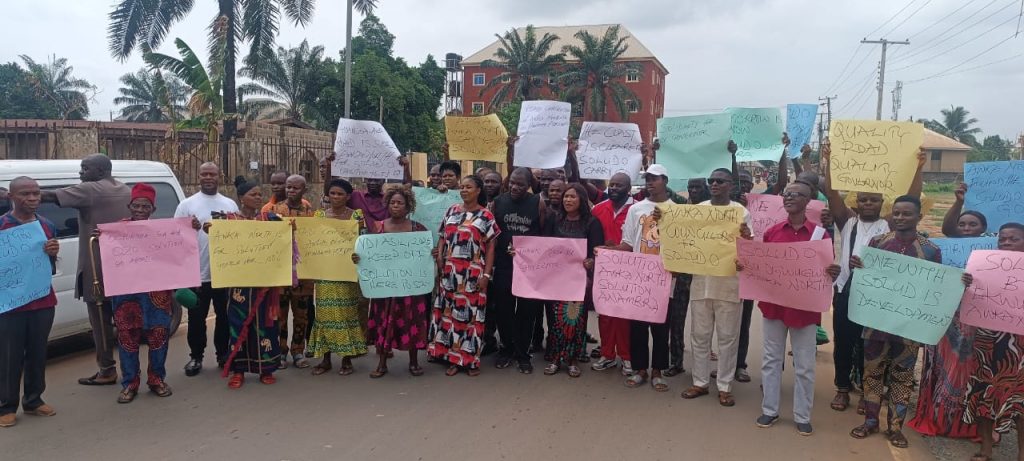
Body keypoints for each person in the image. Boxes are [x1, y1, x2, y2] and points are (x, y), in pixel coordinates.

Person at [821, 142, 926, 413]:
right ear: (856, 202)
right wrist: (829, 161)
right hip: (846, 290)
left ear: (883, 203)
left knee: (870, 346)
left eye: (874, 199)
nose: (868, 203)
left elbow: (911, 199)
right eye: (863, 199)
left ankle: (868, 393)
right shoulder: (847, 221)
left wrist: (919, 168)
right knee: (843, 342)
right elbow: (831, 194)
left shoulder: (888, 224)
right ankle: (842, 389)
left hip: (877, 296)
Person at [849, 195, 942, 449]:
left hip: (908, 327)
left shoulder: (931, 250)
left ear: (919, 217)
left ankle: (895, 427)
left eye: (907, 214)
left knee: (902, 377)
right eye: (897, 213)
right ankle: (870, 421)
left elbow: (936, 289)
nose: (900, 218)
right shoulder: (878, 243)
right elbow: (868, 279)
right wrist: (859, 266)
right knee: (872, 373)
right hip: (875, 323)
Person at [748, 181, 840, 436]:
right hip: (775, 307)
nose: (788, 198)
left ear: (808, 201)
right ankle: (770, 410)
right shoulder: (773, 232)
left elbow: (825, 273)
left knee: (805, 365)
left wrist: (833, 271)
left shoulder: (821, 236)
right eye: (786, 194)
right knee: (771, 360)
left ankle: (802, 415)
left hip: (805, 310)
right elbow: (764, 266)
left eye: (795, 195)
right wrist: (746, 266)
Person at [33, 154, 130, 386]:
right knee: (127, 320)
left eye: (84, 168)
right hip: (124, 268)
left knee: (100, 321)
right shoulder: (125, 188)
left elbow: (49, 196)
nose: (80, 173)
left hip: (97, 269)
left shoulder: (91, 189)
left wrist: (15, 194)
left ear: (99, 171)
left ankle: (107, 370)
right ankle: (131, 369)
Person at [908, 185, 990, 439]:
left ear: (983, 230)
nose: (966, 228)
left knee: (969, 370)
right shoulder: (945, 249)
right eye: (963, 224)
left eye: (972, 224)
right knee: (940, 366)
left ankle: (966, 422)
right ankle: (936, 417)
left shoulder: (992, 253)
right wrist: (957, 202)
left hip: (976, 320)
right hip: (945, 317)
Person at [681, 168, 752, 406]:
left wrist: (747, 239)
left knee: (727, 338)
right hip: (701, 282)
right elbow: (684, 239)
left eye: (719, 181)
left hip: (729, 284)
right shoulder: (699, 210)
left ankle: (724, 385)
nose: (714, 184)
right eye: (711, 181)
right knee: (699, 336)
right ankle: (700, 382)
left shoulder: (740, 212)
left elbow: (750, 249)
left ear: (731, 185)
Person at [101, 184, 174, 403]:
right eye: (136, 205)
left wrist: (192, 228)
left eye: (145, 206)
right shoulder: (117, 231)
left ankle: (156, 379)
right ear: (129, 206)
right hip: (126, 295)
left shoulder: (163, 231)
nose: (140, 209)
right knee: (127, 338)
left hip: (157, 294)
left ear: (153, 209)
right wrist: (103, 237)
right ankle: (130, 383)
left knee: (159, 337)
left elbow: (177, 253)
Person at [604, 164, 673, 392]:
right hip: (639, 279)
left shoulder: (677, 209)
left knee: (661, 329)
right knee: (638, 328)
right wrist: (606, 253)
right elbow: (629, 243)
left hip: (664, 280)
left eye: (655, 178)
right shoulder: (636, 209)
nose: (650, 182)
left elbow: (682, 247)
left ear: (665, 180)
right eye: (647, 179)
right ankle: (640, 369)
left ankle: (658, 371)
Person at [0, 176, 60, 428]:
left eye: (36, 193)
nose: (33, 198)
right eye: (26, 194)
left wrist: (53, 254)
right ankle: (6, 405)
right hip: (10, 303)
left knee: (37, 352)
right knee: (9, 356)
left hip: (42, 300)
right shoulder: (2, 227)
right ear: (11, 197)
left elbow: (50, 270)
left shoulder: (46, 226)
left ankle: (34, 400)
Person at [962, 222, 1024, 461]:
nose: (1006, 243)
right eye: (1003, 239)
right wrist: (967, 284)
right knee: (983, 393)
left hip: (1019, 345)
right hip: (988, 341)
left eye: (1013, 239)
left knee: (1020, 398)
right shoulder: (984, 267)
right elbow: (971, 302)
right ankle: (986, 449)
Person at [428, 175, 499, 376]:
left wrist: (486, 275)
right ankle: (449, 355)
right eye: (462, 187)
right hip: (449, 272)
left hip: (473, 273)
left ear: (478, 190)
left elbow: (492, 246)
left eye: (468, 187)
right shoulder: (452, 210)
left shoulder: (486, 216)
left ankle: (467, 360)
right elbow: (443, 236)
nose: (464, 190)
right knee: (449, 314)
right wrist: (440, 257)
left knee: (471, 317)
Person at [174, 162, 239, 377]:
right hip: (198, 273)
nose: (208, 177)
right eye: (204, 174)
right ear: (199, 176)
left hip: (224, 273)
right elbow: (175, 237)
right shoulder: (186, 205)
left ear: (220, 176)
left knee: (224, 317)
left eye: (212, 174)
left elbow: (239, 234)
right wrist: (187, 228)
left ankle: (222, 355)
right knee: (196, 319)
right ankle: (196, 357)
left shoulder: (229, 204)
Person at [358, 187, 430, 377]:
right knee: (384, 322)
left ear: (408, 206)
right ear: (387, 204)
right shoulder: (378, 227)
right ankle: (382, 363)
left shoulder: (418, 229)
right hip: (385, 287)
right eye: (392, 202)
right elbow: (368, 254)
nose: (396, 206)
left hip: (410, 287)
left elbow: (425, 256)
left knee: (412, 322)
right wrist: (359, 258)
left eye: (400, 203)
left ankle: (413, 362)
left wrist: (432, 253)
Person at [218, 179, 283, 389]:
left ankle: (266, 369)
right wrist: (211, 231)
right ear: (241, 198)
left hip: (264, 283)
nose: (258, 197)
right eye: (253, 194)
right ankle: (238, 370)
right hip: (239, 284)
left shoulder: (270, 219)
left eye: (259, 194)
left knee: (265, 325)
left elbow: (284, 242)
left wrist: (289, 229)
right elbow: (218, 243)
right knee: (237, 325)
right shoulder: (228, 221)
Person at [541, 183, 603, 378]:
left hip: (578, 281)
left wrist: (591, 262)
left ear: (582, 200)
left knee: (574, 320)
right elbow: (544, 246)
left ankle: (573, 359)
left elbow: (597, 251)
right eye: (566, 196)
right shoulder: (555, 220)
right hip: (557, 279)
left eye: (572, 197)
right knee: (556, 319)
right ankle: (555, 358)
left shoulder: (592, 223)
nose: (568, 200)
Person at [307, 179, 367, 376]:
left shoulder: (356, 217)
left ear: (348, 197)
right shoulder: (319, 216)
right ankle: (325, 360)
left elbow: (363, 242)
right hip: (325, 273)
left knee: (347, 314)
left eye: (340, 194)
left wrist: (359, 255)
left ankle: (347, 358)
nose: (336, 197)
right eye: (332, 193)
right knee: (323, 316)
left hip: (347, 273)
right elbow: (312, 242)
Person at [490, 168, 546, 374]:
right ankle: (506, 349)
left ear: (529, 186)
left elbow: (541, 236)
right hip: (504, 266)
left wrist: (528, 252)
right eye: (512, 182)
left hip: (528, 269)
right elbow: (492, 235)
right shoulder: (498, 202)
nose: (515, 187)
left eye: (520, 184)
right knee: (503, 311)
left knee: (527, 312)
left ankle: (523, 354)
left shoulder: (537, 203)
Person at [266, 174, 316, 368]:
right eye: (288, 187)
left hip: (304, 274)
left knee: (302, 315)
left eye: (295, 188)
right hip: (281, 273)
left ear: (304, 189)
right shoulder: (274, 211)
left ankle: (298, 351)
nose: (290, 191)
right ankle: (281, 351)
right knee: (280, 315)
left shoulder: (310, 212)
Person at [590, 172, 635, 375]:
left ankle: (627, 357)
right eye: (612, 185)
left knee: (625, 316)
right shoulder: (599, 209)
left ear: (628, 188)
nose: (614, 188)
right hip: (604, 271)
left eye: (619, 185)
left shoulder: (637, 209)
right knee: (606, 314)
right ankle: (607, 355)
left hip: (631, 272)